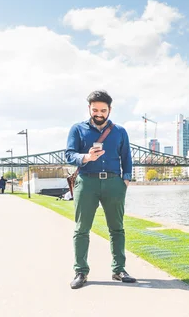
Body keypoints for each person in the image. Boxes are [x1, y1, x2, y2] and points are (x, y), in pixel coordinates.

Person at [65, 90, 134, 289]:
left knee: (117, 228)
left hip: (114, 183)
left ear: (109, 110)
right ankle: (81, 272)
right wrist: (86, 157)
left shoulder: (120, 131)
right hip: (86, 182)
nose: (99, 113)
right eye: (95, 109)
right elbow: (69, 154)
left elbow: (127, 157)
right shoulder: (77, 129)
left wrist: (125, 181)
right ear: (89, 108)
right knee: (81, 229)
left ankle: (119, 270)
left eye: (103, 110)